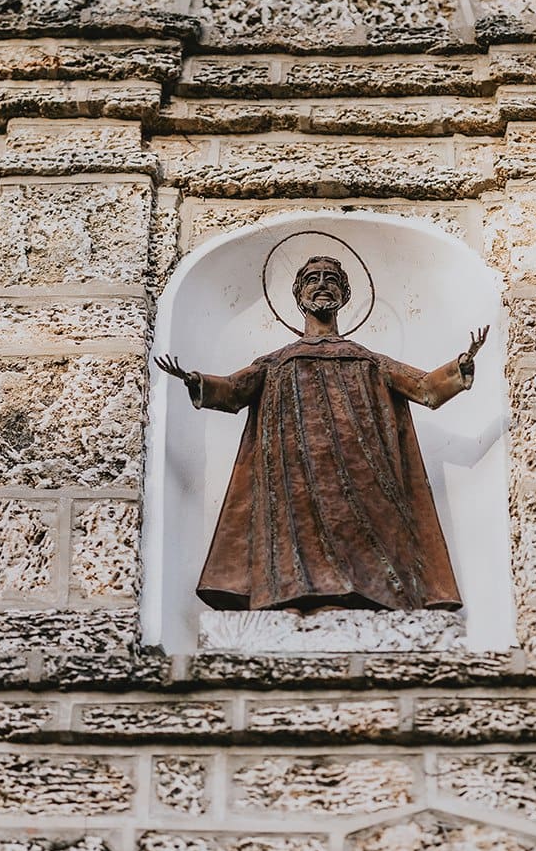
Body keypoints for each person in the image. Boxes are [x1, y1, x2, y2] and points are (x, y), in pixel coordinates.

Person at [157, 253, 488, 612]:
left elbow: (424, 387)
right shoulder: (276, 361)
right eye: (313, 279)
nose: (321, 285)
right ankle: (288, 600)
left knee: (359, 534)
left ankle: (361, 600)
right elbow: (236, 389)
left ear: (344, 295)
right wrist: (198, 381)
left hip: (359, 471)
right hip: (291, 471)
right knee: (291, 535)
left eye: (330, 279)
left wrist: (460, 366)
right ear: (299, 295)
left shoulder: (367, 359)